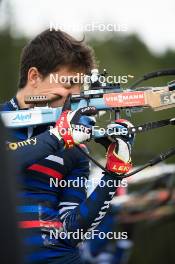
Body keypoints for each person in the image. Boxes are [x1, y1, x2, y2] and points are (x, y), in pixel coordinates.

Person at [1, 29, 134, 264]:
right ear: (34, 77)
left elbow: (72, 233)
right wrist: (56, 137)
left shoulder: (75, 149)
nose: (73, 98)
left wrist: (114, 174)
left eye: (78, 90)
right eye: (68, 84)